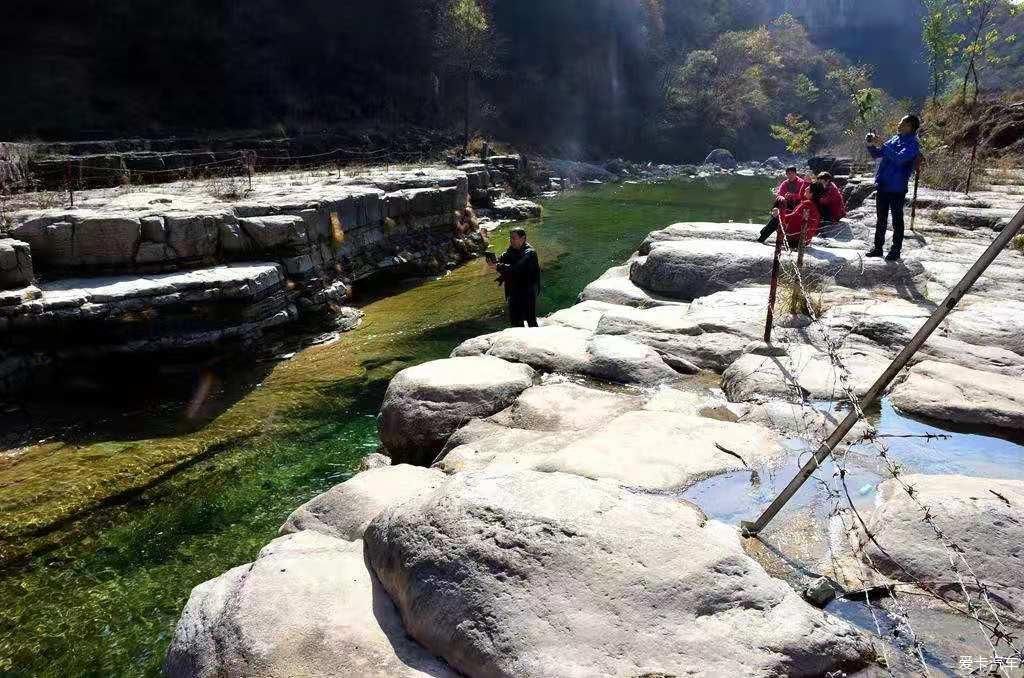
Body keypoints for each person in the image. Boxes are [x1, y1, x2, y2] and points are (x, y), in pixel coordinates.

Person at [866, 115, 921, 260]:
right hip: (883, 184)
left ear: (909, 126)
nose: (898, 124)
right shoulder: (895, 138)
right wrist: (871, 144)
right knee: (881, 218)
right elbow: (878, 154)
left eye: (901, 122)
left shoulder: (913, 144)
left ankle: (895, 250)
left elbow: (899, 159)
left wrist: (882, 145)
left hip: (897, 187)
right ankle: (878, 248)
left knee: (897, 220)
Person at [491, 227, 541, 327]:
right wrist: (495, 261)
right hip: (513, 290)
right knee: (515, 320)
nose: (511, 240)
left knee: (530, 319)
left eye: (514, 238)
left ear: (523, 238)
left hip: (527, 290)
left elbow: (517, 268)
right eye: (510, 238)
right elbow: (504, 259)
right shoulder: (511, 250)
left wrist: (498, 266)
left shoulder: (530, 253)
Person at [758, 182, 826, 248]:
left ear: (812, 193)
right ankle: (763, 232)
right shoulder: (814, 204)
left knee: (776, 219)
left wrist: (779, 214)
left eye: (808, 188)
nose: (805, 189)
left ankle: (761, 238)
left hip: (795, 240)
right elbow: (796, 212)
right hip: (804, 240)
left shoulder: (807, 204)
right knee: (779, 216)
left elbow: (792, 217)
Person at [816, 171, 847, 236]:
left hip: (835, 214)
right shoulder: (828, 186)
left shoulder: (831, 189)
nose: (819, 183)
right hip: (832, 211)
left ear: (827, 180)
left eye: (821, 181)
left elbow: (824, 201)